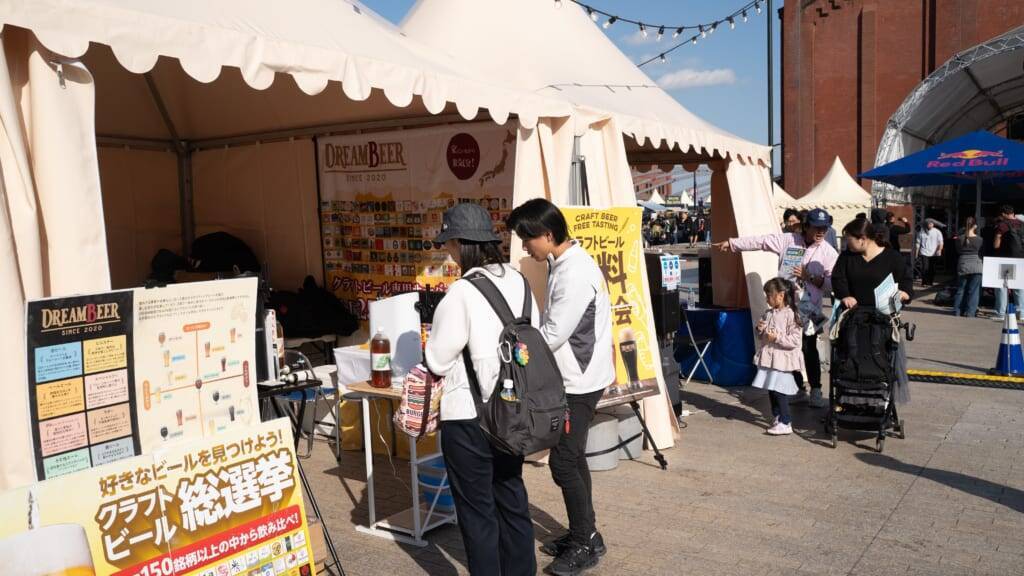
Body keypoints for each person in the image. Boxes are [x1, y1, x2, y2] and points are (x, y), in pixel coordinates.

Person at [424, 203, 538, 576]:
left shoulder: (461, 292)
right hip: (513, 413)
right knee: (512, 500)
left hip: (469, 419)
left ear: (461, 243)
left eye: (450, 244)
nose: (449, 252)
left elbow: (438, 360)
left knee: (477, 516)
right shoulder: (519, 282)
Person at [507, 199, 614, 576]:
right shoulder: (563, 263)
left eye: (526, 239)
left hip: (578, 382)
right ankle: (586, 533)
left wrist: (516, 352)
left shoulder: (573, 273)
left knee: (564, 461)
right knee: (573, 457)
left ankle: (585, 541)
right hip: (578, 377)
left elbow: (553, 333)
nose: (524, 248)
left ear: (548, 235)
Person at [713, 208, 839, 408]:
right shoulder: (788, 240)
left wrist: (811, 277)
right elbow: (760, 241)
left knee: (808, 347)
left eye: (824, 227)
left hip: (808, 309)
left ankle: (816, 388)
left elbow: (833, 283)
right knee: (786, 349)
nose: (821, 231)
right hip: (785, 308)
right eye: (816, 227)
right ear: (806, 226)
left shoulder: (828, 252)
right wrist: (732, 244)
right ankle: (798, 388)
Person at [752, 278, 804, 436]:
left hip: (782, 360)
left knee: (780, 391)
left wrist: (777, 338)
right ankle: (778, 416)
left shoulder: (791, 315)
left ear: (780, 296)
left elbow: (795, 340)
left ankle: (786, 421)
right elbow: (761, 336)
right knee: (771, 389)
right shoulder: (768, 313)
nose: (767, 299)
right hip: (770, 358)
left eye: (769, 295)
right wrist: (759, 329)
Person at [832, 217, 913, 309]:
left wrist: (905, 293)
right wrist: (845, 296)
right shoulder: (846, 256)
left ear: (862, 239)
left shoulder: (893, 257)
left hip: (884, 315)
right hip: (853, 313)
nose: (847, 243)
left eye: (849, 240)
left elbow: (905, 279)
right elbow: (838, 279)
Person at [992, 204, 1024, 321]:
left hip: (1006, 259)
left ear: (1004, 214)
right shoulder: (1022, 224)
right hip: (1021, 260)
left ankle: (1000, 313)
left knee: (1002, 286)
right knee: (1019, 286)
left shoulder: (1002, 225)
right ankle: (1021, 313)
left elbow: (996, 245)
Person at [952, 216, 983, 318]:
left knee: (960, 289)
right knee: (973, 291)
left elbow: (957, 251)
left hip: (963, 264)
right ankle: (970, 313)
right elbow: (982, 252)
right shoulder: (980, 239)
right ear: (975, 226)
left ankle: (957, 311)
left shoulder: (959, 239)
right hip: (976, 265)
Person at [915, 218, 944, 286]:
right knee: (925, 268)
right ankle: (924, 282)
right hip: (924, 252)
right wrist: (916, 254)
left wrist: (939, 250)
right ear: (926, 224)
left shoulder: (937, 232)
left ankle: (930, 282)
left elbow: (941, 243)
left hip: (934, 253)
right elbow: (918, 244)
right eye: (929, 224)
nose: (930, 225)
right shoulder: (921, 232)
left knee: (932, 268)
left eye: (932, 224)